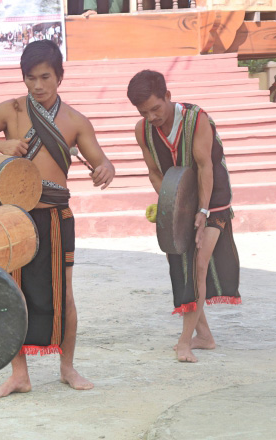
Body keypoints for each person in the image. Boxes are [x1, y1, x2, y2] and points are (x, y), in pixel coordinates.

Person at [0, 40, 115, 397]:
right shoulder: (12, 111)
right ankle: (19, 375)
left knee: (66, 295)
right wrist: (0, 146)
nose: (38, 86)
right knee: (13, 293)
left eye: (45, 77)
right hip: (14, 216)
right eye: (31, 78)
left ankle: (67, 367)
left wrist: (105, 168)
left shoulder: (76, 120)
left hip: (57, 217)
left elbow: (100, 160)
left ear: (59, 76)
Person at [126, 70, 241, 363]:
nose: (151, 116)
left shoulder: (197, 119)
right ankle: (205, 336)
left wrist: (202, 211)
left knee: (199, 265)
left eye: (156, 108)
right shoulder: (142, 130)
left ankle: (184, 342)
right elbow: (154, 172)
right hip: (180, 201)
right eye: (144, 112)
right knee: (180, 264)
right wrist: (169, 204)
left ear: (168, 95)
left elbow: (204, 168)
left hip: (212, 197)